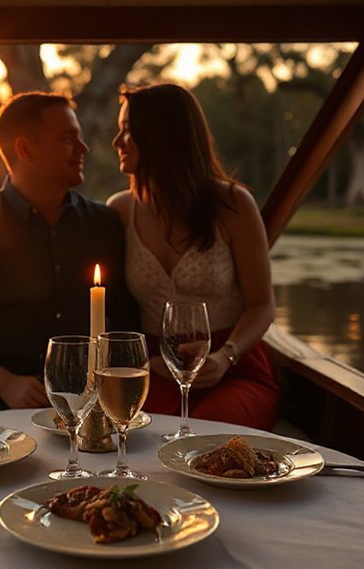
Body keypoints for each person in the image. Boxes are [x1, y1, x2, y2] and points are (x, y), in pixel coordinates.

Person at [0, 92, 137, 417]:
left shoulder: (103, 224)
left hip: (83, 387)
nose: (84, 149)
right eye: (68, 139)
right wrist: (4, 382)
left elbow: (124, 314)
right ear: (25, 150)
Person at [107, 83, 279, 431]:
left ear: (162, 137)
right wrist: (141, 359)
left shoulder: (234, 206)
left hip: (231, 365)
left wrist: (224, 355)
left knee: (210, 434)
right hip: (153, 367)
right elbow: (109, 310)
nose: (117, 141)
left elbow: (262, 305)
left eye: (128, 130)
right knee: (140, 433)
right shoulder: (120, 211)